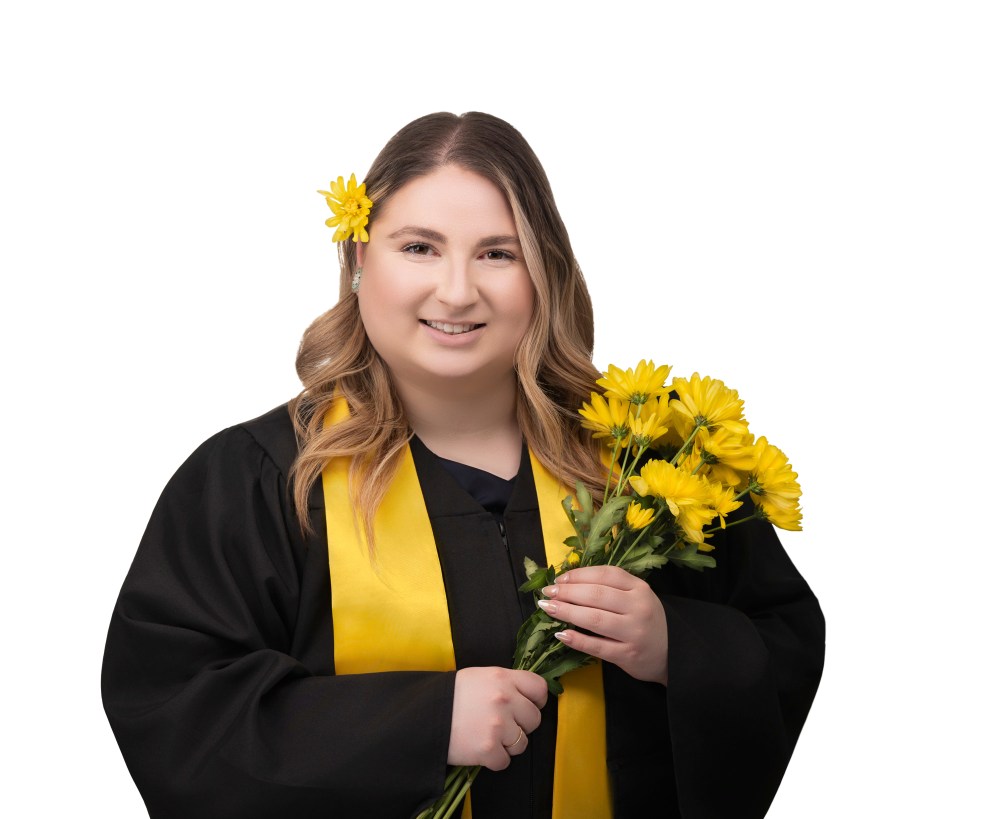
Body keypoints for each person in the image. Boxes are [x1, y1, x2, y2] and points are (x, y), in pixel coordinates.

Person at [101, 111, 825, 819]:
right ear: (359, 260)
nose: (455, 290)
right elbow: (175, 711)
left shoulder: (649, 466)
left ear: (544, 271)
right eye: (419, 247)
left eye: (497, 253)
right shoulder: (258, 480)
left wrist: (679, 648)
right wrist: (425, 721)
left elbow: (784, 640)